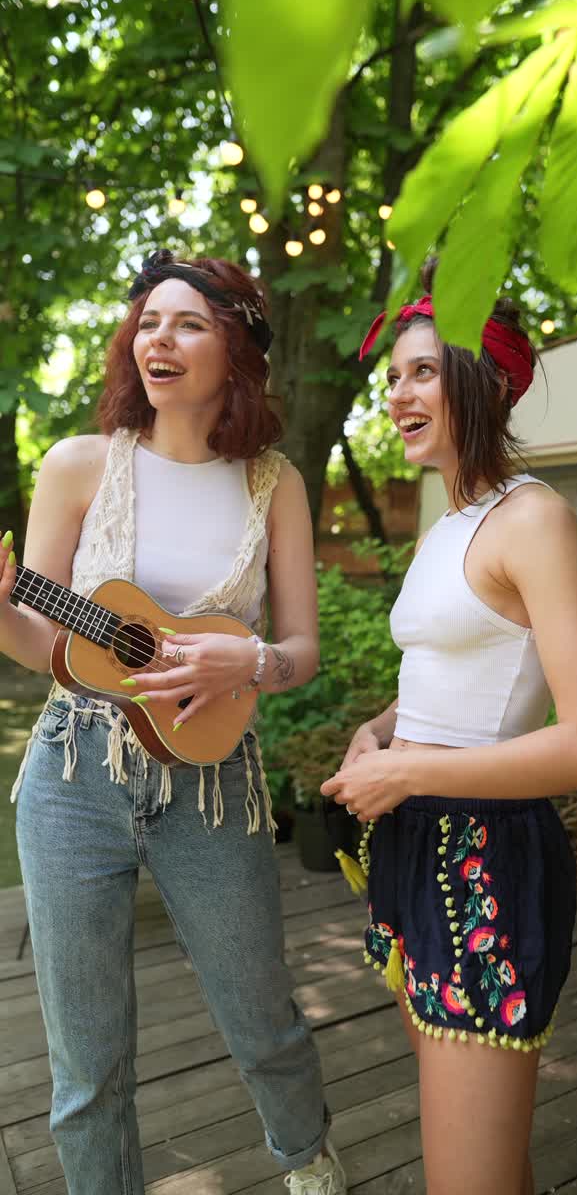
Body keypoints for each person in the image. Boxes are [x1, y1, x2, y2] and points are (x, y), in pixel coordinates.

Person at [0, 250, 345, 1195]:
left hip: (216, 784)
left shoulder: (275, 483)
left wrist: (255, 659)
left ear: (235, 349)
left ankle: (309, 1166)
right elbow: (49, 645)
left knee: (261, 1013)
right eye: (149, 321)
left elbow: (304, 650)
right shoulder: (77, 465)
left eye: (188, 322)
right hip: (76, 777)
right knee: (86, 1052)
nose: (160, 337)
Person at [322, 261, 577, 1195]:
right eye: (392, 381)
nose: (399, 396)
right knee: (483, 1160)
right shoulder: (445, 523)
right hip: (415, 838)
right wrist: (378, 735)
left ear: (488, 382)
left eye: (422, 372)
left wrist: (413, 775)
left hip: (483, 858)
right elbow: (442, 674)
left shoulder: (533, 520)